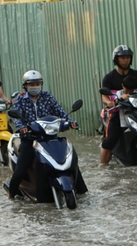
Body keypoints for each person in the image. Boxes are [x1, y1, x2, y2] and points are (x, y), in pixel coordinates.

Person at [5, 70, 86, 199]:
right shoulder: (20, 99)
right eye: (31, 84)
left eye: (37, 83)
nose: (35, 87)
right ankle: (11, 194)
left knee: (70, 162)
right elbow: (16, 116)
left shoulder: (47, 97)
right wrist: (21, 127)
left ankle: (82, 193)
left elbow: (60, 111)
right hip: (30, 139)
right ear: (25, 86)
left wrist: (70, 122)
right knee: (20, 171)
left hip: (49, 138)